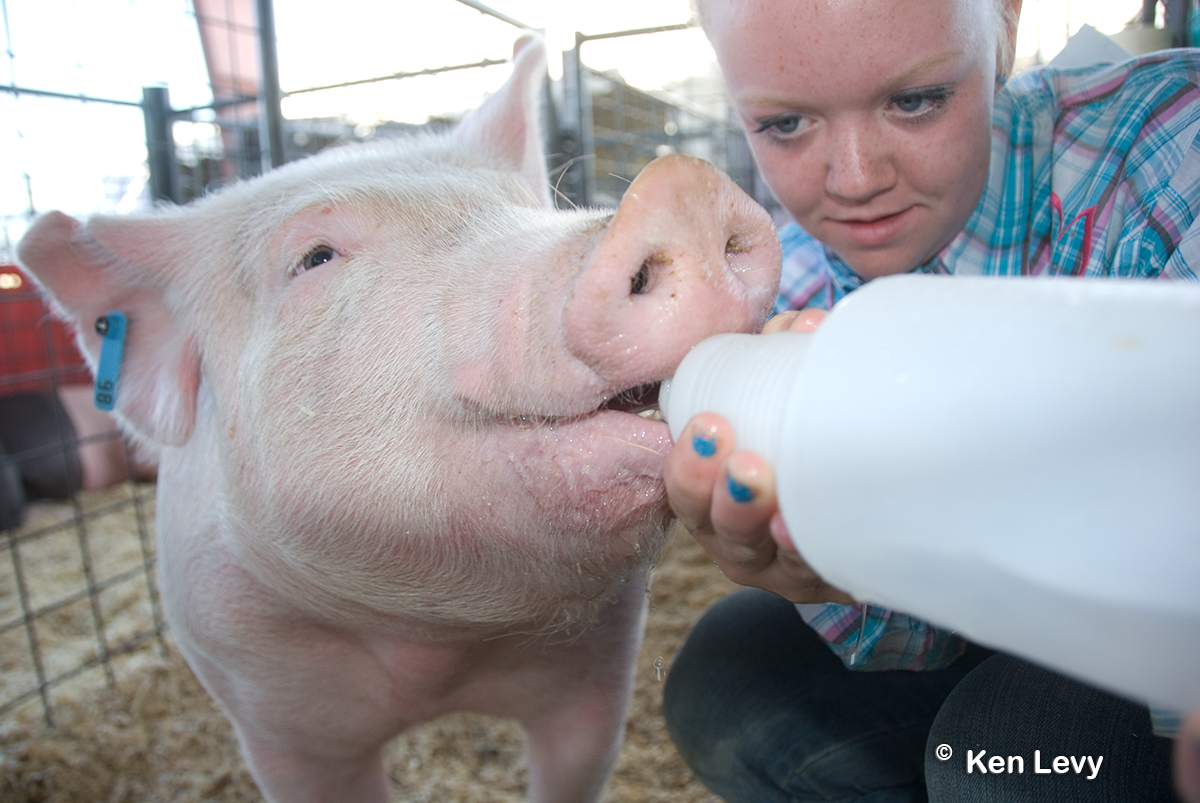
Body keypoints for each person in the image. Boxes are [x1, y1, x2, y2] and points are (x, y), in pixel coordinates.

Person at [661, 0, 1200, 800]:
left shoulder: (1167, 152)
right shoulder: (792, 291)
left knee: (1006, 754)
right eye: (785, 125)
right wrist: (839, 570)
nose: (855, 181)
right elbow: (924, 637)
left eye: (915, 101)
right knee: (727, 676)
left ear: (1005, 24)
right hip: (1024, 615)